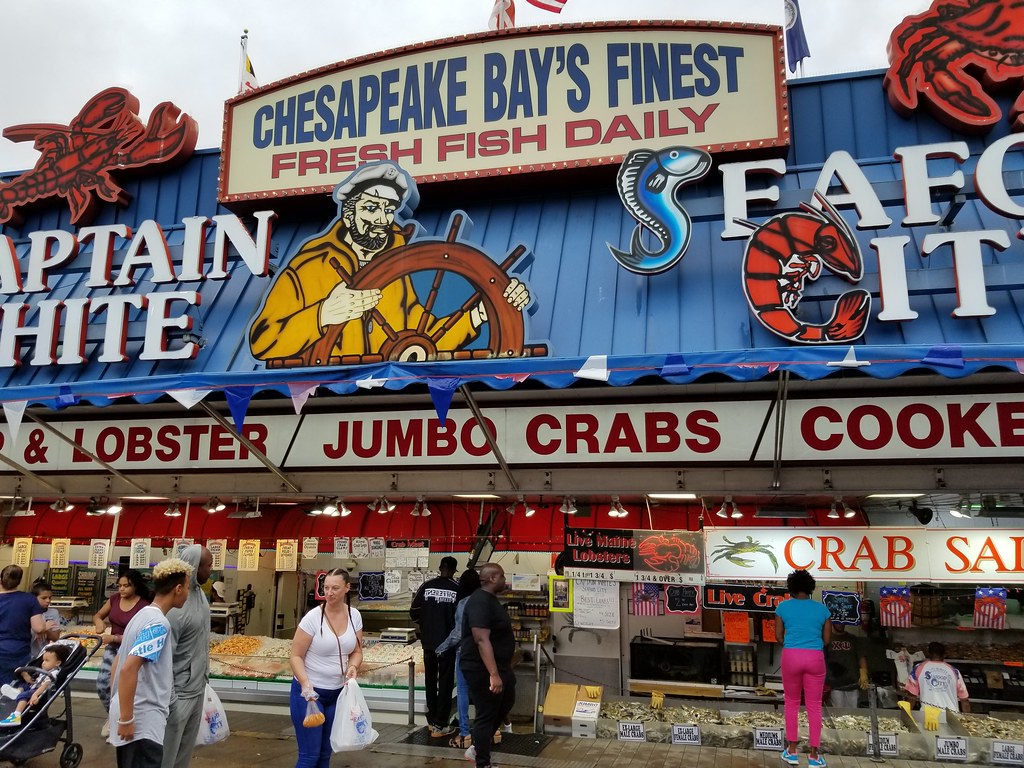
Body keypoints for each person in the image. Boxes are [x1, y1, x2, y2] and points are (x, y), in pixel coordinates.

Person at [248, 161, 528, 364]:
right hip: (322, 398)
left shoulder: (397, 265)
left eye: (388, 209)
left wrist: (482, 312)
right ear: (347, 212)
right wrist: (323, 314)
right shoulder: (310, 266)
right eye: (371, 208)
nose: (382, 220)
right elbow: (262, 340)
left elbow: (423, 342)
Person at [108, 558, 192, 768]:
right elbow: (128, 668)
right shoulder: (158, 624)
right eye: (188, 588)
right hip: (142, 721)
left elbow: (119, 661)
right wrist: (126, 718)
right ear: (178, 589)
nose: (189, 594)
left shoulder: (141, 615)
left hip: (130, 712)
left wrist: (117, 704)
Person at [290, 567, 363, 768]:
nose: (329, 593)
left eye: (335, 588)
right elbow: (295, 656)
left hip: (337, 694)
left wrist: (353, 666)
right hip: (309, 694)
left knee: (325, 754)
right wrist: (305, 683)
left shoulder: (354, 616)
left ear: (347, 588)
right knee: (309, 755)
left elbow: (356, 651)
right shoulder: (312, 618)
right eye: (326, 587)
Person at [160, 545, 213, 768]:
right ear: (194, 567)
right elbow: (164, 657)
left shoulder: (200, 594)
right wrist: (171, 698)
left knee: (185, 751)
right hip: (179, 693)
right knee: (167, 752)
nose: (211, 569)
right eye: (208, 565)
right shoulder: (175, 605)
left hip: (197, 688)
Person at [460, 563, 516, 768]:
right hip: (481, 668)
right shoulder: (479, 602)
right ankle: (482, 761)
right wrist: (493, 673)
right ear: (492, 578)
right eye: (502, 576)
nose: (505, 579)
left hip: (500, 667)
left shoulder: (490, 600)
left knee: (507, 699)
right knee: (486, 713)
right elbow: (481, 639)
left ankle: (478, 747)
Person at [775, 569, 831, 768]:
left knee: (791, 702)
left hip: (791, 656)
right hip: (815, 657)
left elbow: (778, 636)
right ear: (810, 588)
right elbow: (826, 640)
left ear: (791, 588)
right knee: (814, 705)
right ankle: (815, 756)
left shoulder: (783, 608)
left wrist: (792, 643)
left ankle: (791, 751)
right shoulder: (822, 610)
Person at [94, 569, 151, 737]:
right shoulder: (114, 600)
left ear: (135, 586)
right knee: (103, 684)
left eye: (126, 586)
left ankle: (125, 718)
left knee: (126, 687)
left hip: (132, 650)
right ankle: (111, 715)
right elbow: (98, 615)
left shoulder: (144, 606)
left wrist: (115, 637)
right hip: (113, 649)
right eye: (119, 586)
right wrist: (98, 622)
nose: (122, 589)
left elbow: (142, 634)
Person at [410, 555, 459, 737]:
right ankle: (440, 725)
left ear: (440, 568)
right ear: (454, 570)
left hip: (428, 643)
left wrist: (426, 625)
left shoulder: (426, 586)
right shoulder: (457, 589)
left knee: (430, 681)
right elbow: (460, 617)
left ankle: (431, 722)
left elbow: (413, 612)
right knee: (445, 683)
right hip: (447, 645)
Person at [435, 568, 482, 750]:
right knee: (483, 692)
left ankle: (465, 733)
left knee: (463, 691)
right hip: (485, 653)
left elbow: (457, 633)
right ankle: (491, 730)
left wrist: (441, 648)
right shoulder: (486, 600)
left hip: (466, 652)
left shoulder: (464, 603)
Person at [0, 642, 72, 727]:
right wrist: (29, 678)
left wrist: (35, 694)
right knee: (23, 685)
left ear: (57, 663)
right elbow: (37, 682)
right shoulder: (45, 671)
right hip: (35, 687)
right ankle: (17, 692)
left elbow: (45, 685)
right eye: (43, 660)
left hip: (40, 692)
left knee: (24, 695)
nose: (43, 663)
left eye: (47, 661)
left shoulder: (54, 673)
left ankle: (16, 715)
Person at [0, 565, 47, 685]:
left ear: (1, 580)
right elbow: (38, 627)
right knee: (13, 689)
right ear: (19, 581)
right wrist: (47, 626)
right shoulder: (29, 599)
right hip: (17, 651)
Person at [904, 641, 970, 713]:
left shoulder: (918, 668)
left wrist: (905, 716)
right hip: (952, 717)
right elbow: (964, 700)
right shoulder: (954, 671)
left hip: (928, 717)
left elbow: (912, 697)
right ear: (944, 655)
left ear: (928, 653)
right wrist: (967, 720)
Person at [826, 621, 869, 708]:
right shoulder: (828, 639)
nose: (840, 625)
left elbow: (861, 657)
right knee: (838, 714)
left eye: (842, 623)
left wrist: (864, 672)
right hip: (835, 684)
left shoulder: (853, 638)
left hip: (852, 683)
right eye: (838, 623)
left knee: (853, 714)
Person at [30, 579, 62, 660]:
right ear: (34, 598)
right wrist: (41, 628)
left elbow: (55, 638)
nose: (48, 601)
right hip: (27, 654)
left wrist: (45, 630)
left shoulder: (53, 613)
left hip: (42, 655)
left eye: (50, 598)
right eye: (44, 598)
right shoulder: (26, 612)